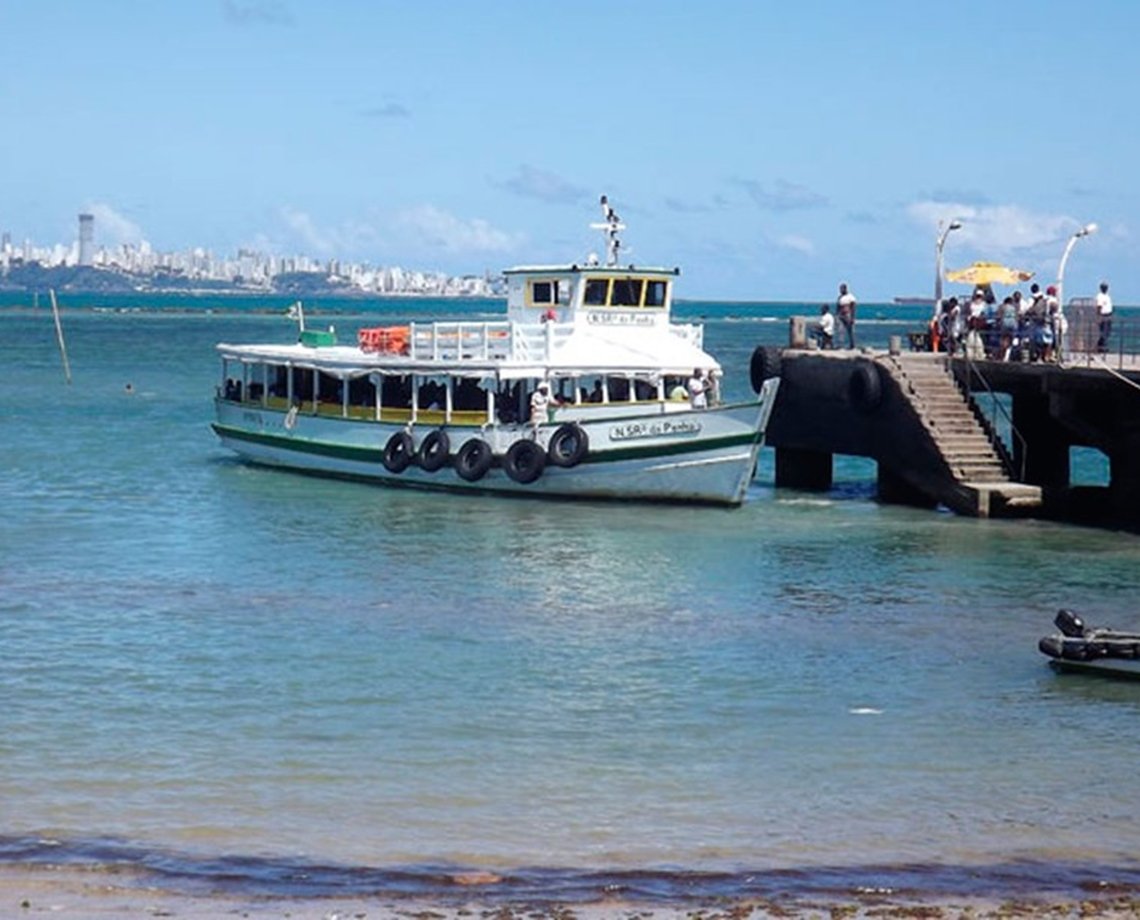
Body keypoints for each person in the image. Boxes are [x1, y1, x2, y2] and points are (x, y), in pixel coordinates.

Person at [836, 282, 857, 348]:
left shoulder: (850, 297)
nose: (841, 291)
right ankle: (841, 344)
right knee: (840, 330)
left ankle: (852, 344)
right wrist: (837, 315)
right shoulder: (840, 298)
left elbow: (853, 307)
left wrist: (852, 317)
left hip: (848, 314)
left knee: (850, 331)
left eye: (842, 289)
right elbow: (838, 306)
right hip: (841, 315)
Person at [1096, 281, 1113, 354]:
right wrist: (1099, 317)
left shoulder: (1107, 296)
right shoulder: (1100, 296)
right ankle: (1100, 347)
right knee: (1103, 332)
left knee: (1107, 332)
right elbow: (1099, 307)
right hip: (1103, 315)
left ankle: (1102, 347)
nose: (1105, 288)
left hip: (1108, 315)